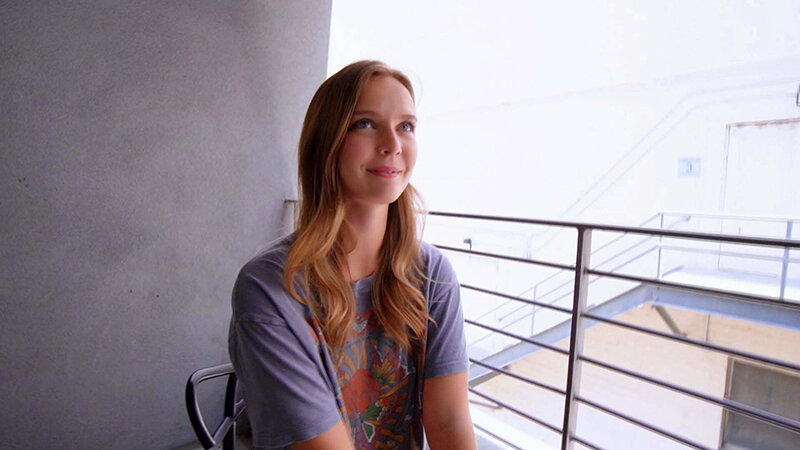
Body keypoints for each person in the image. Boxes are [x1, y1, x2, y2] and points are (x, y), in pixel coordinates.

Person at [228, 60, 476, 449]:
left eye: (405, 126)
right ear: (326, 142)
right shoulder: (270, 288)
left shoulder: (432, 273)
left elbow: (448, 420)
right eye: (365, 123)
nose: (393, 144)